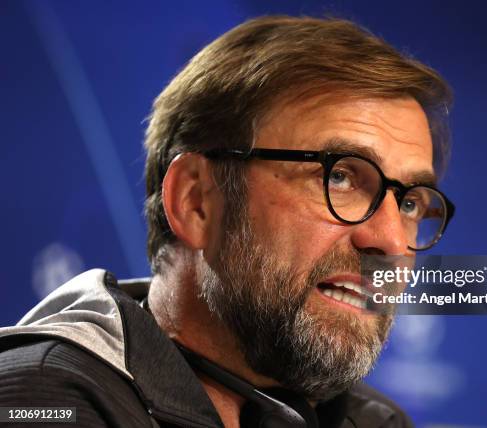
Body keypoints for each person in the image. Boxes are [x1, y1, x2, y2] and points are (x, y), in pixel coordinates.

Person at [0, 15, 453, 428]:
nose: (392, 240)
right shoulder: (41, 401)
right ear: (196, 202)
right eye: (339, 176)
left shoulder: (372, 421)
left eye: (410, 203)